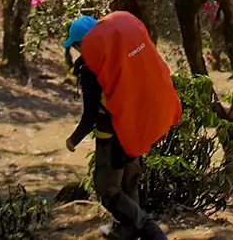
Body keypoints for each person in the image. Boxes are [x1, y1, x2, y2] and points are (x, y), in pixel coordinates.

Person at [63, 13, 181, 240]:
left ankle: (150, 230)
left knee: (107, 189)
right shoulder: (124, 60)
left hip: (112, 136)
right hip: (137, 129)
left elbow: (90, 115)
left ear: (81, 43)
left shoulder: (91, 68)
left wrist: (73, 140)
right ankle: (126, 230)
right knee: (129, 183)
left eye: (76, 45)